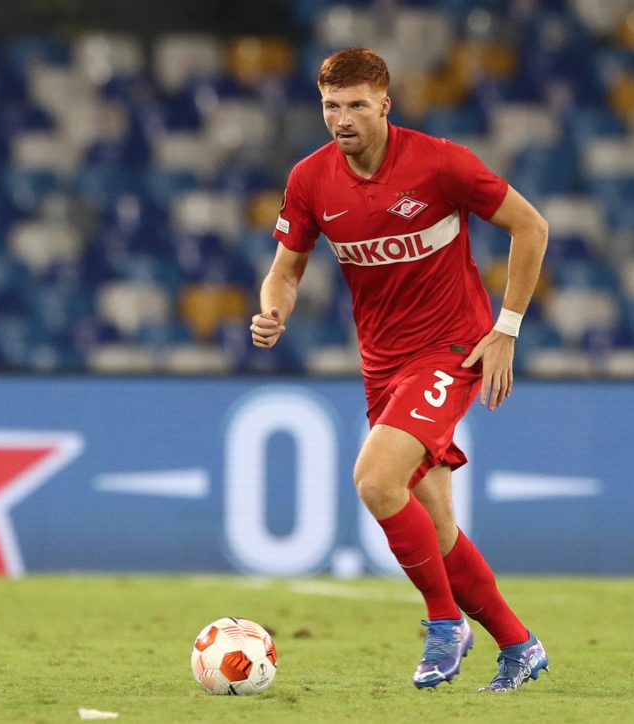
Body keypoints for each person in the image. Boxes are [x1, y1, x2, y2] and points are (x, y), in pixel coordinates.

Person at [250, 48, 550, 692]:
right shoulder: (310, 179)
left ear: (385, 104)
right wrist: (273, 311)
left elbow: (531, 227)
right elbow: (285, 270)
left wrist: (507, 329)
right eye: (332, 106)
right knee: (436, 525)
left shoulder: (440, 163)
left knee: (375, 481)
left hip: (450, 349)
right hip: (382, 366)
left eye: (357, 104)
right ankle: (520, 645)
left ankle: (445, 623)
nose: (343, 118)